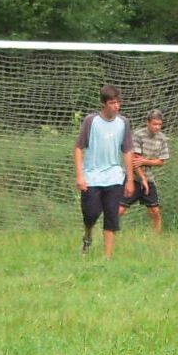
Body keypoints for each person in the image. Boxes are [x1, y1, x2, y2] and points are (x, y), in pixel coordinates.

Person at [74, 84, 134, 258]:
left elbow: (127, 151)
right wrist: (80, 176)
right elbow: (78, 148)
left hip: (114, 177)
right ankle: (87, 236)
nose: (116, 106)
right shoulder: (90, 121)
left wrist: (130, 180)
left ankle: (107, 259)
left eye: (118, 102)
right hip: (92, 177)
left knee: (111, 216)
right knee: (91, 214)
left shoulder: (123, 122)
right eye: (112, 103)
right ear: (104, 104)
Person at [124, 109, 170, 233]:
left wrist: (145, 161)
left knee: (155, 211)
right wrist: (142, 178)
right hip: (133, 178)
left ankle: (156, 237)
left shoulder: (162, 139)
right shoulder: (138, 135)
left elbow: (161, 161)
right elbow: (135, 160)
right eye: (154, 124)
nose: (157, 127)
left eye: (160, 124)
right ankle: (110, 232)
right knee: (120, 209)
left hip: (149, 179)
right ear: (148, 122)